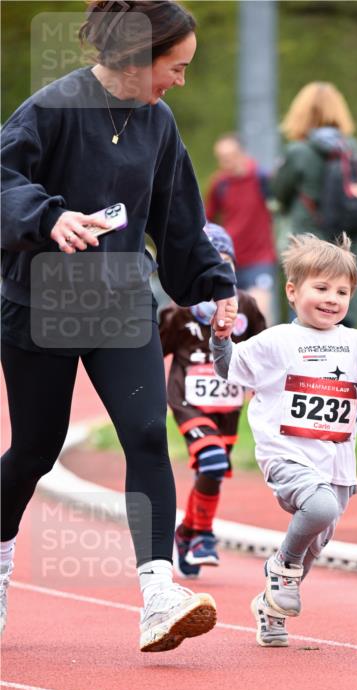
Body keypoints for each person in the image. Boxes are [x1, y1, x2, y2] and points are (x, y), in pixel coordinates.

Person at [0, 0, 238, 652]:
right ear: (137, 57)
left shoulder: (158, 123)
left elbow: (180, 223)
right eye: (175, 66)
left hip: (122, 299)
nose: (180, 80)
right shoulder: (50, 109)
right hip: (42, 302)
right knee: (34, 452)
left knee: (143, 434)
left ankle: (159, 594)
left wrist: (213, 291)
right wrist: (46, 218)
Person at [210, 233, 357, 647]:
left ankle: (271, 608)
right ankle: (280, 568)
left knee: (313, 545)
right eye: (321, 288)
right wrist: (220, 337)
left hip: (335, 464)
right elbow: (230, 368)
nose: (332, 299)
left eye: (342, 291)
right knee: (315, 511)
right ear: (292, 290)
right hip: (284, 454)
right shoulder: (276, 341)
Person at [159, 222, 266, 576]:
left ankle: (187, 531)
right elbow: (150, 354)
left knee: (212, 473)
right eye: (209, 264)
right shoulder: (180, 311)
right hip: (187, 402)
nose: (218, 272)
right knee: (214, 463)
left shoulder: (246, 307)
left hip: (228, 408)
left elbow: (263, 352)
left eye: (226, 264)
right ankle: (203, 533)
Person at [270, 82, 357, 331]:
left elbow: (279, 194)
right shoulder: (353, 148)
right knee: (344, 325)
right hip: (351, 245)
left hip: (310, 247)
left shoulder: (298, 151)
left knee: (303, 325)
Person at [205, 134, 277, 323]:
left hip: (260, 258)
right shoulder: (219, 184)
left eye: (230, 156)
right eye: (222, 158)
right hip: (230, 260)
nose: (226, 162)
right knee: (233, 319)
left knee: (258, 313)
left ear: (242, 153)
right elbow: (206, 219)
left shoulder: (263, 178)